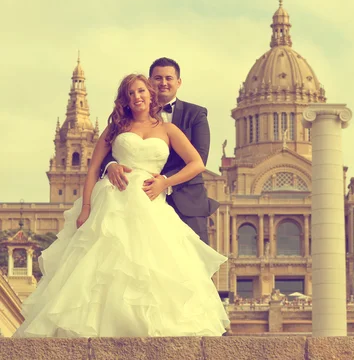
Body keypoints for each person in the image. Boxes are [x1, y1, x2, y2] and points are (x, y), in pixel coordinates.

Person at [14, 74, 230, 338]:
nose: (136, 97)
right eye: (130, 93)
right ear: (125, 99)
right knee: (101, 265)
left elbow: (196, 163)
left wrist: (165, 182)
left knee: (150, 265)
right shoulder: (116, 127)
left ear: (150, 94)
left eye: (141, 91)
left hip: (150, 202)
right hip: (112, 199)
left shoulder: (168, 130)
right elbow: (94, 167)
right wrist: (86, 208)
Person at [101, 57, 217, 244]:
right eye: (158, 78)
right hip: (136, 199)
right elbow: (110, 147)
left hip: (186, 201)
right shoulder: (130, 116)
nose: (163, 83)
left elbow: (199, 159)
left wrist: (164, 182)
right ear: (149, 83)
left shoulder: (196, 114)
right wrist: (111, 164)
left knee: (196, 266)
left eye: (169, 78)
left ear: (178, 82)